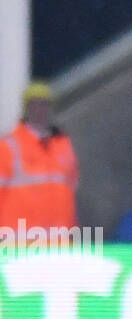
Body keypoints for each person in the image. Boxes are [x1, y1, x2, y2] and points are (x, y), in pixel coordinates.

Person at [0, 83, 78, 234]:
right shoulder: (9, 146)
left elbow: (71, 187)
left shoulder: (62, 144)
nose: (40, 110)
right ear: (26, 108)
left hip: (58, 241)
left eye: (44, 104)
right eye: (34, 104)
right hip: (19, 242)